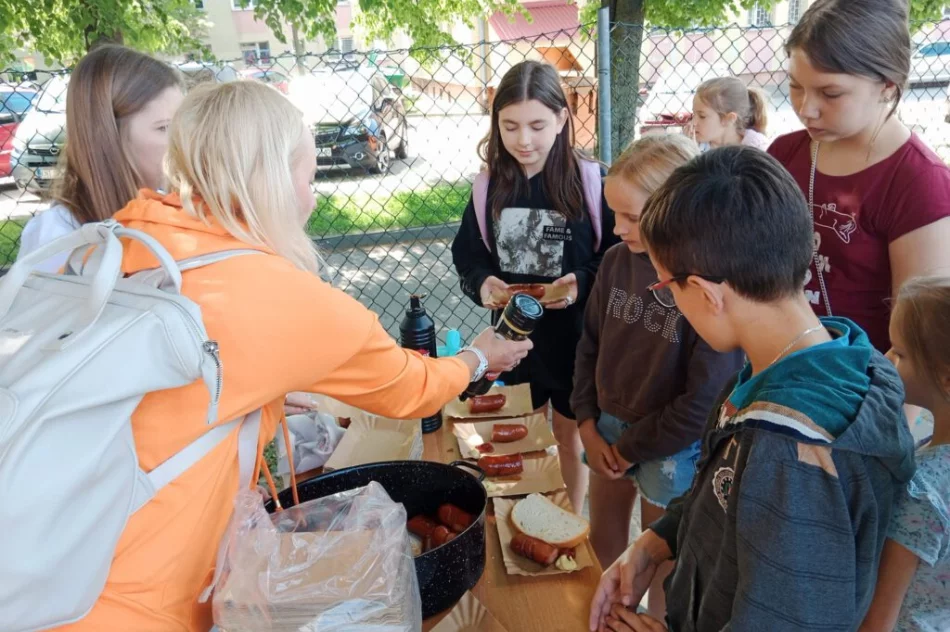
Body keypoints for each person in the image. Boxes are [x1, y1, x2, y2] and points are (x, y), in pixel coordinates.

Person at [56, 81, 531, 632]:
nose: (311, 196)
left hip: (65, 562)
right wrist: (478, 355)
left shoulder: (128, 235)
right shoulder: (269, 291)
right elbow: (410, 387)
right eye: (307, 179)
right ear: (270, 181)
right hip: (139, 599)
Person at [588, 147, 916, 632]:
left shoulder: (791, 453)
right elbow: (725, 494)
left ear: (705, 293)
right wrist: (653, 544)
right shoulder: (836, 359)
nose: (672, 301)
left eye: (667, 288)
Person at [572, 135, 744, 619]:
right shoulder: (614, 262)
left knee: (662, 554)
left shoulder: (704, 286)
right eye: (613, 213)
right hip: (606, 428)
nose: (616, 227)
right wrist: (586, 420)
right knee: (602, 540)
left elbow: (702, 400)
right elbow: (588, 345)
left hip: (673, 445)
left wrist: (630, 448)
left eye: (631, 216)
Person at [452, 60, 618, 514]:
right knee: (522, 428)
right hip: (513, 339)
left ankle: (568, 519)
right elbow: (469, 253)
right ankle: (523, 513)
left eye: (537, 125)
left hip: (575, 340)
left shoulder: (591, 182)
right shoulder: (489, 187)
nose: (524, 140)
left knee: (568, 432)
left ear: (563, 120)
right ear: (496, 124)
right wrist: (481, 282)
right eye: (510, 126)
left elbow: (617, 252)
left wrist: (582, 281)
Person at [768, 0, 950, 354]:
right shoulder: (784, 154)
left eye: (830, 93)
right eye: (795, 86)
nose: (806, 108)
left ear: (887, 85)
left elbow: (919, 344)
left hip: (861, 389)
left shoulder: (920, 184)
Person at [17, 45, 185, 273]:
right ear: (107, 136)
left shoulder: (172, 210)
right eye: (164, 127)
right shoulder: (58, 237)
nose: (181, 142)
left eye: (181, 126)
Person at [860, 276, 950, 632]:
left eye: (900, 352)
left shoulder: (923, 491)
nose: (885, 358)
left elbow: (879, 620)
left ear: (947, 379)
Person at [691, 77, 770, 150]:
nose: (693, 122)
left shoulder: (756, 148)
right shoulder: (696, 144)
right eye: (693, 114)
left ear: (729, 119)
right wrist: (689, 149)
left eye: (702, 116)